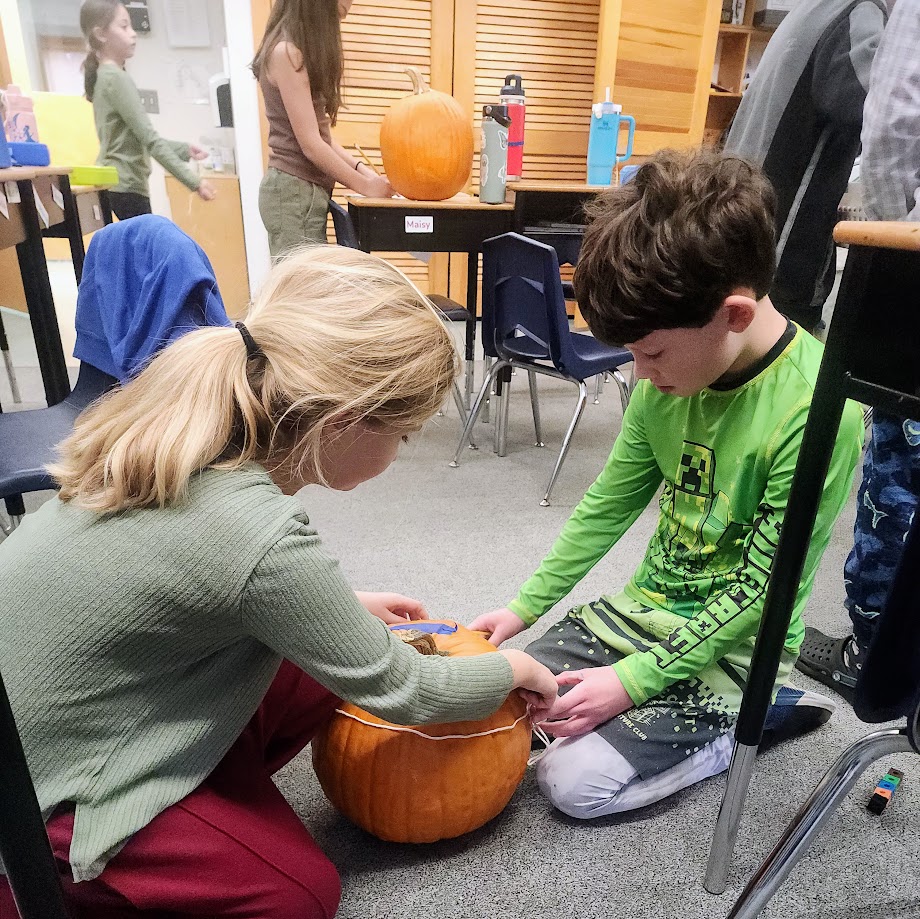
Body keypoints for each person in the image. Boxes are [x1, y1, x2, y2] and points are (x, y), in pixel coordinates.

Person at [0, 246, 557, 919]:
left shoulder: (189, 429)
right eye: (404, 435)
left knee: (329, 659)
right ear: (344, 421)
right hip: (45, 789)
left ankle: (208, 781)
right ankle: (51, 879)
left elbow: (180, 576)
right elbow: (405, 687)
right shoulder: (255, 530)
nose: (402, 451)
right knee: (298, 895)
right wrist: (514, 668)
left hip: (72, 703)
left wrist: (341, 607)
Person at [469, 149, 865, 819]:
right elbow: (607, 504)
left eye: (650, 352)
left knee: (570, 783)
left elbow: (759, 591)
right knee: (515, 699)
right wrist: (522, 609)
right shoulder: (670, 374)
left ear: (734, 315)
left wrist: (632, 682)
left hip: (738, 649)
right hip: (642, 617)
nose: (639, 373)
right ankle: (650, 705)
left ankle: (758, 718)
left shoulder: (818, 410)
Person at [796, 0, 920, 701]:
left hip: (912, 263)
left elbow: (899, 119)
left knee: (896, 484)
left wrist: (880, 244)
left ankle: (872, 656)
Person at [724, 0, 888, 333]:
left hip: (742, 222)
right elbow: (883, 106)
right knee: (783, 362)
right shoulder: (859, 13)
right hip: (781, 246)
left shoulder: (813, 8)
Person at [252, 0, 394, 258]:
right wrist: (365, 187)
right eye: (336, 15)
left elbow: (321, 137)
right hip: (293, 195)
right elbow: (311, 145)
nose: (335, 27)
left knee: (307, 289)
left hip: (299, 194)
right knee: (302, 293)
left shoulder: (292, 51)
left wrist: (363, 172)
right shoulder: (286, 53)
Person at [80, 0, 216, 221]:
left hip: (118, 185)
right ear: (101, 34)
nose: (133, 34)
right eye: (124, 27)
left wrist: (183, 149)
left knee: (138, 252)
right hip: (125, 187)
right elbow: (149, 140)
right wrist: (194, 181)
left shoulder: (107, 77)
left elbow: (134, 136)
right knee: (144, 253)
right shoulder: (115, 78)